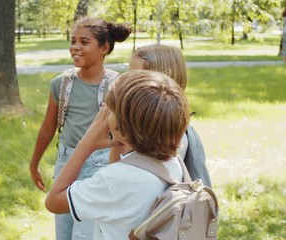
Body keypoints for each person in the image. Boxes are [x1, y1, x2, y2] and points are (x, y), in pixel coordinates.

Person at [45, 70, 190, 240]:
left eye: (110, 110)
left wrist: (86, 144)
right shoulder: (173, 163)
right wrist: (120, 139)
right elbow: (119, 167)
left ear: (123, 125)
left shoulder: (113, 180)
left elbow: (53, 202)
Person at [29, 17, 131, 239]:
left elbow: (125, 135)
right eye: (73, 41)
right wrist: (34, 163)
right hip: (67, 161)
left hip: (100, 163)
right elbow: (48, 127)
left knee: (87, 232)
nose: (75, 47)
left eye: (84, 42)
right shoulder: (61, 84)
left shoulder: (118, 86)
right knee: (63, 229)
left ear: (104, 48)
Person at [110, 44, 212, 187]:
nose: (127, 82)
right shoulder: (146, 126)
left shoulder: (163, 135)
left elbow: (117, 180)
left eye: (137, 76)